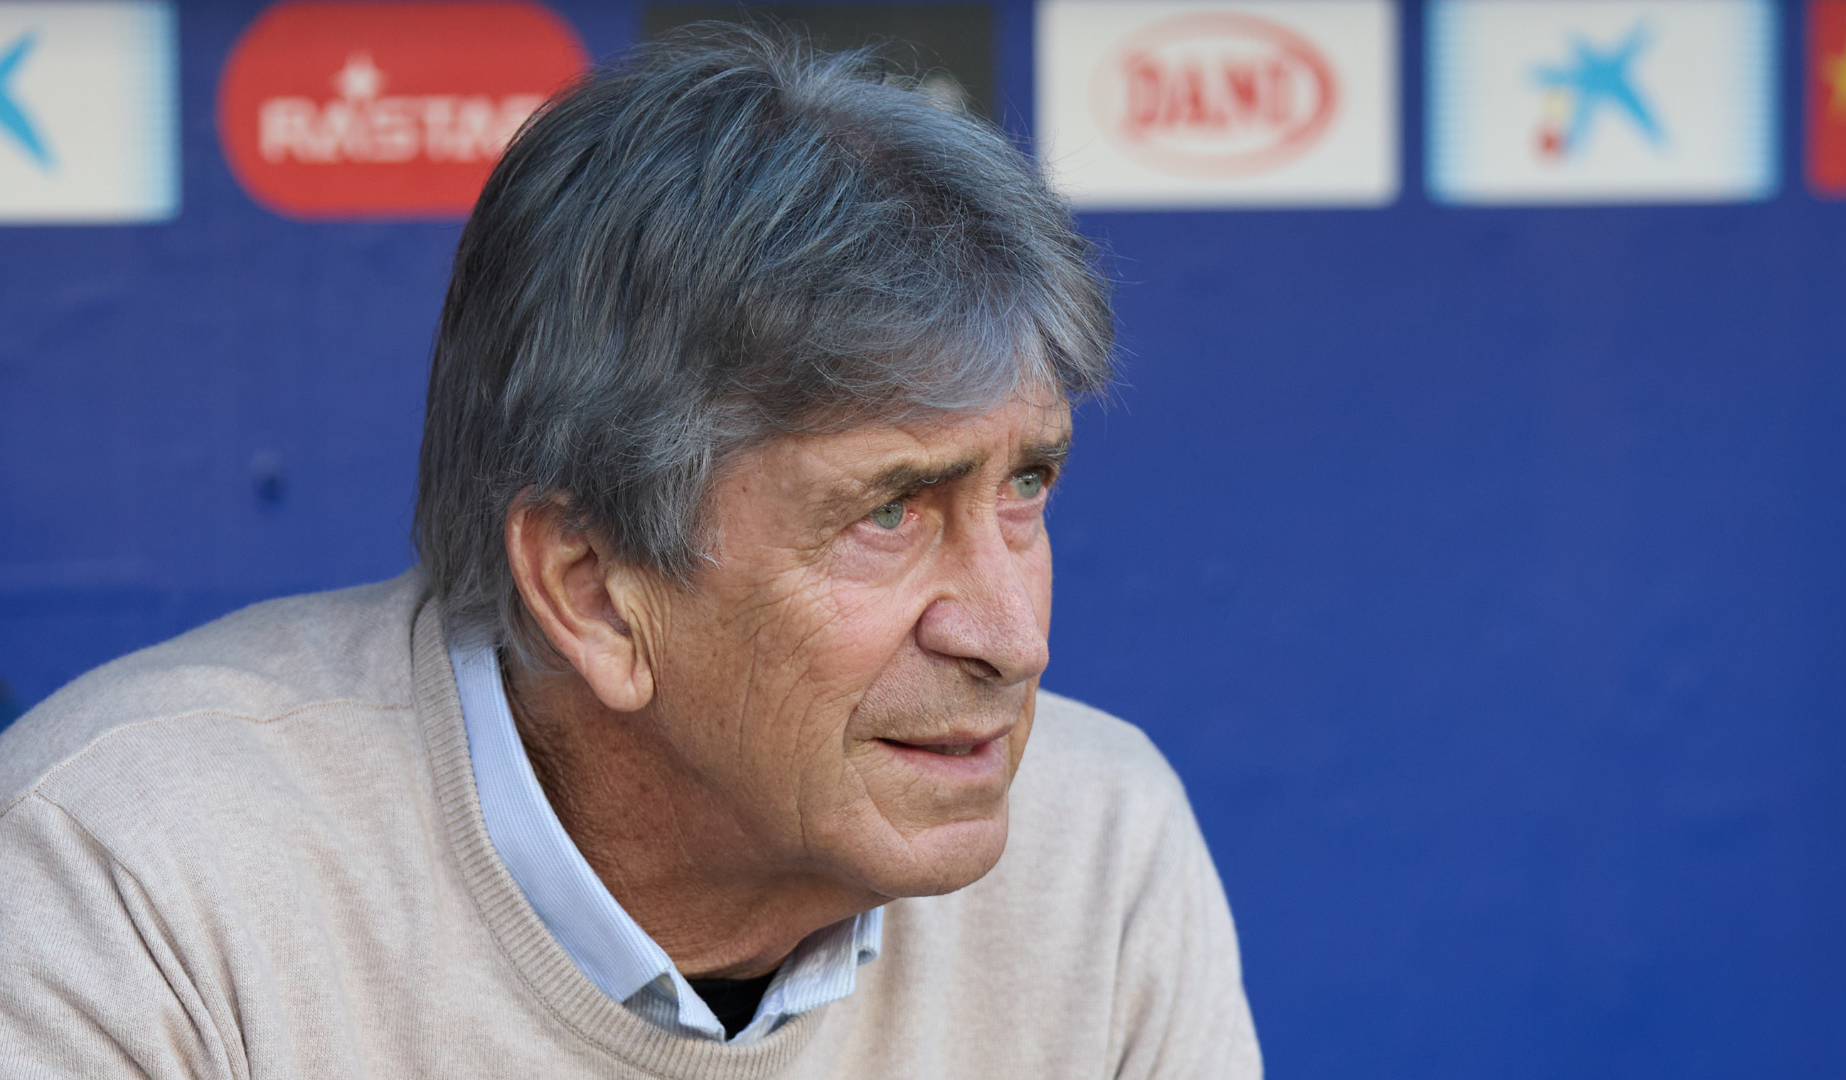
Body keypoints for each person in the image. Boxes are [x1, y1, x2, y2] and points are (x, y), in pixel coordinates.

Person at [0, 29, 1259, 1078]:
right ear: (593, 592)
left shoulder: (1098, 847)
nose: (1013, 638)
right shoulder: (130, 874)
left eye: (1025, 486)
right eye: (890, 511)